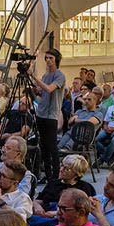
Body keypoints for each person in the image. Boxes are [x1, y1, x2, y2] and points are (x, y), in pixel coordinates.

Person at [30, 48, 65, 181]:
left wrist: (35, 77)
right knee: (43, 146)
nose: (48, 60)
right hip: (41, 114)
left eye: (51, 58)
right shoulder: (45, 76)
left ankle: (55, 175)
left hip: (51, 115)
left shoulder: (59, 75)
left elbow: (49, 89)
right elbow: (41, 91)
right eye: (47, 58)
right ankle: (48, 175)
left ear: (56, 59)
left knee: (52, 146)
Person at [32, 154, 95, 222]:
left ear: (77, 173)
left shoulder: (84, 188)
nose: (61, 169)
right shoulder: (53, 183)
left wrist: (55, 213)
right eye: (62, 165)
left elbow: (85, 210)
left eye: (67, 169)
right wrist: (37, 207)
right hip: (44, 215)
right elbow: (38, 200)